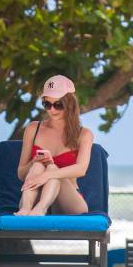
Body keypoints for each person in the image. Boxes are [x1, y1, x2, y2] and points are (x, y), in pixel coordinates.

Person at [15, 75, 94, 215]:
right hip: (34, 199)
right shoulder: (33, 129)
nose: (52, 110)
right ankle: (26, 208)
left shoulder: (84, 134)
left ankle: (41, 209)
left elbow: (81, 169)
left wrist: (48, 174)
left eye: (58, 105)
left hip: (68, 201)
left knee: (52, 168)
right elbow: (21, 174)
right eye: (47, 104)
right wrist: (33, 162)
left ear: (70, 103)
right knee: (38, 165)